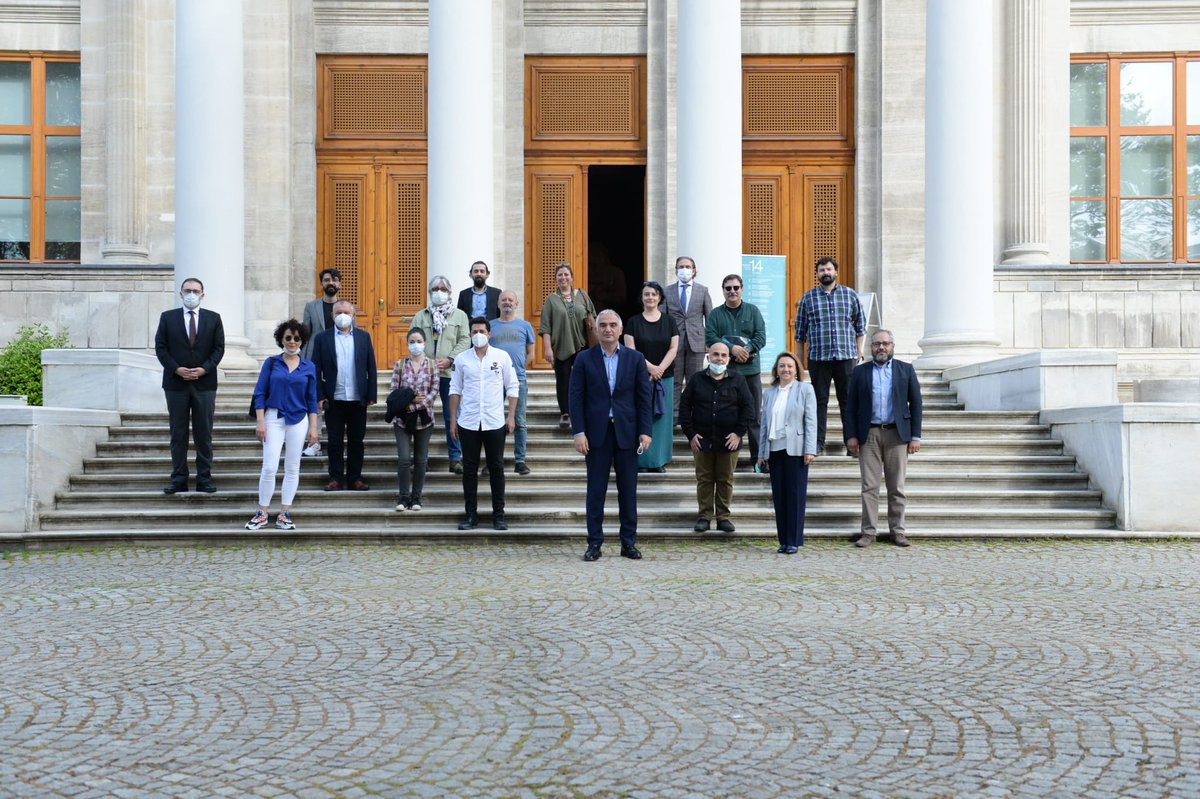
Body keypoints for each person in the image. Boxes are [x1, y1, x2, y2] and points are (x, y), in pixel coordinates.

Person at [569, 309, 653, 562]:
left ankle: (628, 542)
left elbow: (643, 397)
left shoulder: (635, 358)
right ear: (595, 329)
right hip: (596, 435)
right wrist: (579, 432)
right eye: (603, 325)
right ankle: (594, 542)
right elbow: (576, 397)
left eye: (612, 325)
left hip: (627, 433)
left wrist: (645, 431)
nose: (607, 329)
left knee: (628, 492)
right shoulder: (584, 359)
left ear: (620, 329)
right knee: (596, 492)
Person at [844, 329, 923, 548]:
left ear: (893, 346)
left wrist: (915, 436)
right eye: (877, 343)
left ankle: (897, 531)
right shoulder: (860, 372)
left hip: (897, 434)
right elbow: (850, 407)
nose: (881, 347)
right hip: (868, 433)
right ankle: (868, 532)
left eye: (886, 343)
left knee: (896, 486)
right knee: (869, 486)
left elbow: (916, 404)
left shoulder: (905, 370)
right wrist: (851, 436)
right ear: (871, 347)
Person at [246, 320, 320, 531]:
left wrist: (313, 428)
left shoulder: (309, 366)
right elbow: (260, 393)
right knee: (269, 466)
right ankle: (262, 512)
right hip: (273, 417)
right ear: (281, 339)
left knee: (292, 467)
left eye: (297, 338)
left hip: (298, 420)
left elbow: (312, 399)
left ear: (302, 341)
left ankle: (284, 512)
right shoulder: (271, 363)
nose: (292, 342)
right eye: (288, 337)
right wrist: (260, 421)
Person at [154, 277, 225, 494]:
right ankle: (179, 478)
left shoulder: (214, 319)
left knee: (204, 433)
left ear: (202, 294)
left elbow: (219, 348)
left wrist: (204, 368)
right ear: (181, 293)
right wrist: (176, 368)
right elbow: (161, 347)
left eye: (195, 290)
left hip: (205, 384)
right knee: (178, 433)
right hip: (176, 384)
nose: (191, 294)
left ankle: (204, 478)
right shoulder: (168, 318)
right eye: (187, 290)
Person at [449, 318, 519, 531]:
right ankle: (471, 515)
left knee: (496, 468)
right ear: (469, 334)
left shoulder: (502, 357)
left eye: (481, 331)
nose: (478, 334)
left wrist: (511, 416)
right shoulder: (462, 359)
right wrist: (453, 420)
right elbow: (455, 389)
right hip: (468, 421)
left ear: (489, 334)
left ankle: (499, 515)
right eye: (474, 331)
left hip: (494, 421)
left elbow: (513, 387)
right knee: (469, 469)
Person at [678, 342, 754, 534]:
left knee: (725, 479)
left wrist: (738, 433)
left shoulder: (738, 380)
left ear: (729, 359)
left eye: (723, 355)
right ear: (708, 356)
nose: (719, 358)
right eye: (715, 355)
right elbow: (685, 408)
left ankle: (723, 517)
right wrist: (690, 434)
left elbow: (749, 409)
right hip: (702, 441)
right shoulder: (696, 380)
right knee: (704, 479)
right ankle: (704, 516)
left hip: (729, 442)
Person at [794, 257, 865, 456]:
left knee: (848, 401)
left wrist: (858, 352)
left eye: (828, 269)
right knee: (818, 402)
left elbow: (860, 327)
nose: (825, 273)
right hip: (819, 358)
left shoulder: (850, 295)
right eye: (821, 270)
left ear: (836, 272)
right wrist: (800, 362)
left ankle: (852, 444)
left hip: (845, 357)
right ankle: (817, 443)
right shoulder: (808, 298)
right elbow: (800, 334)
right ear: (817, 274)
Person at [309, 299, 377, 491]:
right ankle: (336, 478)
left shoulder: (364, 337)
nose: (343, 316)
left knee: (357, 440)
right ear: (332, 315)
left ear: (353, 316)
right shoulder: (322, 338)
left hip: (357, 399)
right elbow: (315, 368)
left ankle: (355, 477)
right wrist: (319, 395)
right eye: (339, 312)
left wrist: (371, 393)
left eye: (346, 312)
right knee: (334, 441)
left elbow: (370, 367)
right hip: (334, 398)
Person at [757, 352, 818, 554]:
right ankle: (783, 540)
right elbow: (764, 424)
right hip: (775, 450)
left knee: (795, 495)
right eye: (782, 366)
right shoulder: (770, 393)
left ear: (796, 369)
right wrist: (761, 452)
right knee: (779, 497)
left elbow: (810, 420)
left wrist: (810, 449)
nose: (786, 370)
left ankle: (794, 540)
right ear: (776, 369)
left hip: (796, 449)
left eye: (790, 366)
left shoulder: (805, 389)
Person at [705, 273, 766, 466]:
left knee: (755, 417)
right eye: (728, 288)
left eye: (736, 288)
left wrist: (745, 351)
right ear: (723, 291)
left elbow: (761, 336)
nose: (732, 291)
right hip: (726, 373)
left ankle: (758, 459)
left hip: (750, 372)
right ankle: (728, 458)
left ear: (742, 289)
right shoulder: (715, 314)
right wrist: (732, 349)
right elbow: (710, 337)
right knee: (727, 415)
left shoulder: (753, 311)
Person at [412, 275, 471, 474]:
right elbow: (414, 339)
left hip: (449, 372)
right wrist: (424, 361)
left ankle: (455, 458)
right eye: (435, 289)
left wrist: (450, 359)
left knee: (452, 415)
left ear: (449, 292)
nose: (439, 292)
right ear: (430, 293)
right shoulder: (421, 316)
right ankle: (421, 458)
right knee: (421, 415)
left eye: (442, 289)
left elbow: (465, 340)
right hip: (424, 373)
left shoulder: (460, 316)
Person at [623, 281, 678, 473]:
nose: (650, 298)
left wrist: (660, 369)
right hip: (641, 377)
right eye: (646, 294)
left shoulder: (669, 321)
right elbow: (631, 349)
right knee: (642, 416)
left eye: (654, 294)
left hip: (665, 377)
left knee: (662, 419)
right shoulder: (633, 322)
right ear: (642, 298)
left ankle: (659, 461)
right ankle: (642, 461)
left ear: (660, 298)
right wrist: (651, 369)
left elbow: (673, 348)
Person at [539, 262, 596, 431]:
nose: (563, 277)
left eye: (566, 274)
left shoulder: (583, 296)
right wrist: (548, 348)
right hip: (561, 347)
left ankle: (583, 410)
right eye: (560, 275)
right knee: (563, 380)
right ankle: (565, 413)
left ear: (572, 277)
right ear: (556, 279)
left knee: (583, 380)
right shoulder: (551, 300)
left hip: (583, 346)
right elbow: (545, 326)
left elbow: (593, 318)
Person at [388, 327, 437, 512]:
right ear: (407, 343)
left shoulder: (432, 366)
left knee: (421, 460)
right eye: (412, 341)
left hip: (425, 419)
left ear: (424, 343)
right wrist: (408, 401)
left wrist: (419, 403)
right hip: (402, 418)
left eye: (418, 341)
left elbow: (434, 390)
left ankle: (416, 498)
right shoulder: (400, 365)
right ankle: (403, 497)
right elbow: (394, 391)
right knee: (403, 459)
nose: (415, 345)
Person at [489, 289, 536, 474]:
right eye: (504, 300)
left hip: (518, 379)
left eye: (511, 300)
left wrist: (519, 369)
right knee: (493, 421)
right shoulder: (490, 326)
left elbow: (531, 352)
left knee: (519, 421)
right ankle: (493, 461)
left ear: (516, 304)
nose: (507, 302)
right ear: (498, 304)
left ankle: (520, 461)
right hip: (494, 380)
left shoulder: (525, 326)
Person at [666, 255, 713, 419]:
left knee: (695, 380)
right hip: (674, 342)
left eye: (687, 266)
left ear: (694, 270)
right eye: (681, 267)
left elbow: (710, 317)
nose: (684, 270)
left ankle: (693, 414)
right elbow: (663, 319)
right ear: (676, 270)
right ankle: (674, 415)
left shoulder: (703, 290)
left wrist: (709, 342)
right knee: (675, 381)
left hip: (697, 342)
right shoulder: (667, 291)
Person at [301, 267, 341, 360]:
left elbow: (353, 334)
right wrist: (302, 359)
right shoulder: (310, 307)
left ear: (340, 285)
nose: (331, 283)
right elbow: (305, 335)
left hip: (339, 354)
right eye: (327, 280)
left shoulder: (348, 308)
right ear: (321, 284)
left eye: (334, 280)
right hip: (316, 353)